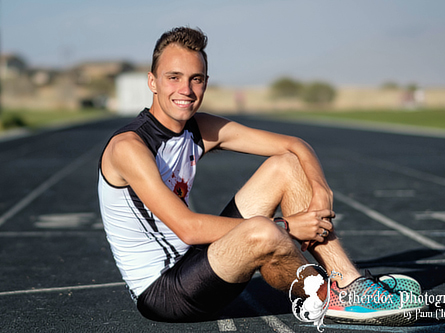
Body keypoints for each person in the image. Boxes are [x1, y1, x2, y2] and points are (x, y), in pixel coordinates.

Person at [98, 26, 425, 326]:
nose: (186, 89)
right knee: (262, 232)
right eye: (174, 77)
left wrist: (320, 189)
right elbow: (188, 228)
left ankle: (347, 282)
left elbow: (295, 145)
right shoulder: (130, 147)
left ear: (206, 83)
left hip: (201, 266)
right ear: (152, 82)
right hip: (165, 294)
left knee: (285, 165)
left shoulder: (199, 128)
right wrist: (288, 227)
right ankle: (326, 298)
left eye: (196, 78)